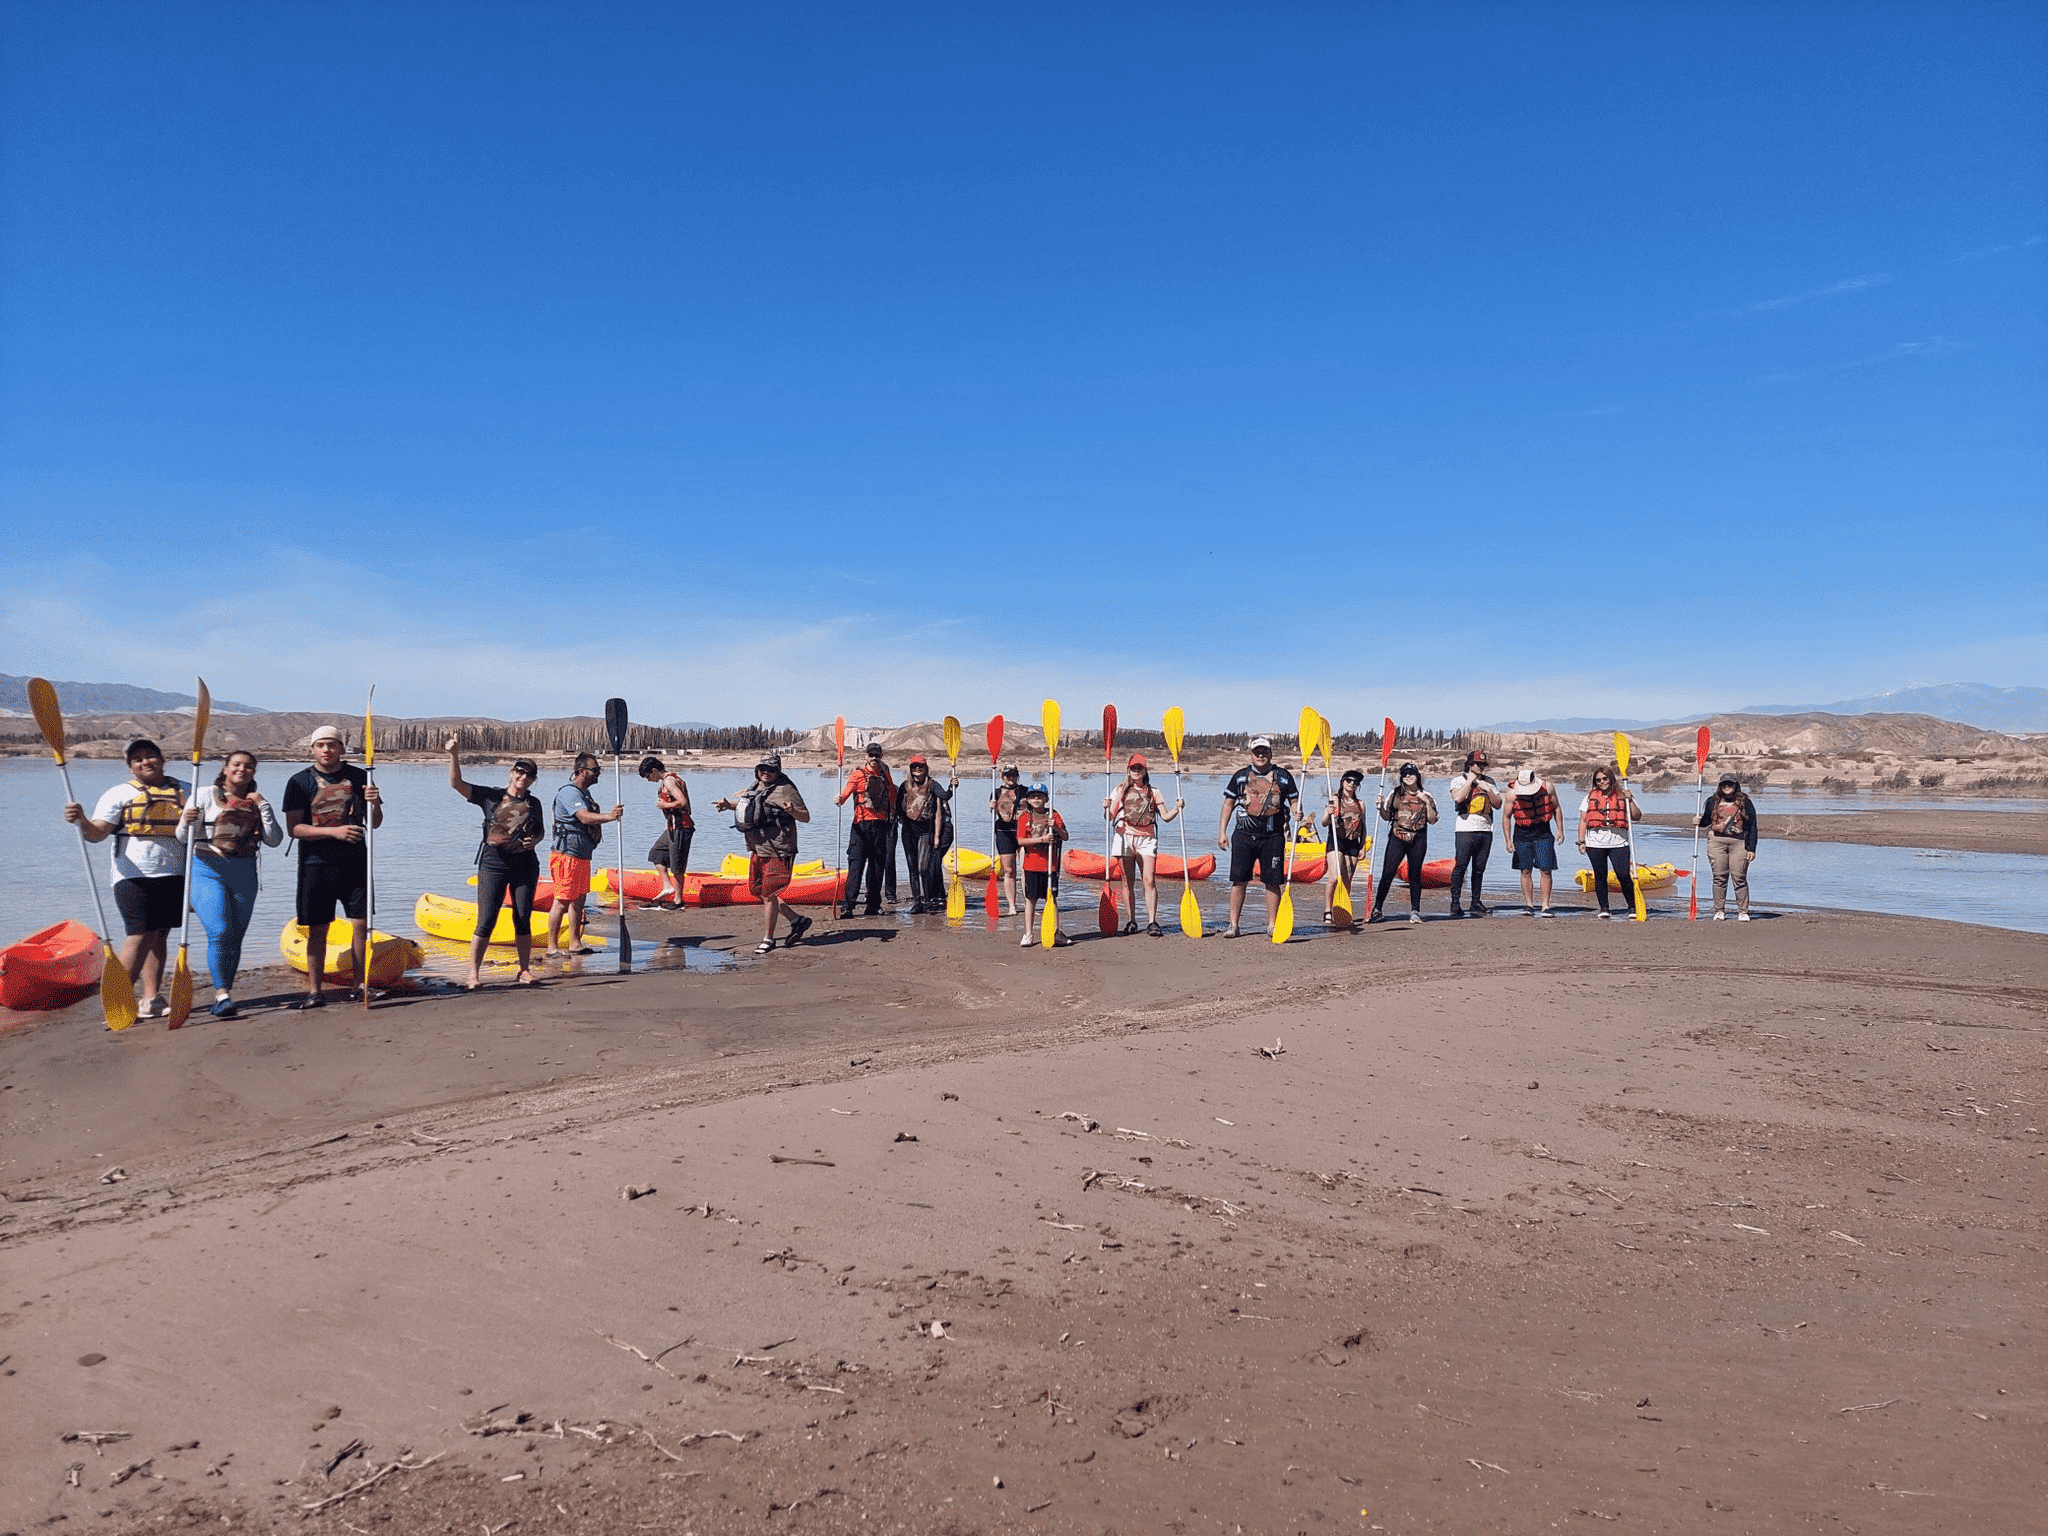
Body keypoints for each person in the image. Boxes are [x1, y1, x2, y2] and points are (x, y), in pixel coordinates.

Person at [63, 738, 190, 1019]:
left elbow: (202, 827)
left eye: (151, 756)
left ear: (162, 759)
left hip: (175, 873)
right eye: (138, 759)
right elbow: (96, 834)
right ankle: (119, 999)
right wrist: (81, 819)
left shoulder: (185, 789)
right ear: (131, 767)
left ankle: (151, 1000)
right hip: (132, 875)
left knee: (159, 935)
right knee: (139, 935)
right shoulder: (118, 793)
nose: (146, 762)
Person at [281, 725, 384, 1006]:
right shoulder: (299, 782)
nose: (326, 750)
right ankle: (315, 992)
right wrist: (334, 832)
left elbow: (374, 823)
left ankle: (359, 985)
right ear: (313, 749)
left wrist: (374, 804)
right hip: (316, 865)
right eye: (321, 745)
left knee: (361, 925)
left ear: (341, 748)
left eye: (332, 745)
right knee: (317, 928)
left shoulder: (360, 777)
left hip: (355, 864)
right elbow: (294, 829)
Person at [177, 749, 283, 1018]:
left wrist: (263, 804)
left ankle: (225, 993)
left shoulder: (255, 800)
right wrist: (187, 820)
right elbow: (181, 837)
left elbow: (274, 840)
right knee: (220, 930)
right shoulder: (202, 794)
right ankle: (221, 993)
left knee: (235, 936)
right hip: (206, 869)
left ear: (254, 772)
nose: (241, 769)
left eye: (248, 766)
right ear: (225, 768)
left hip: (244, 873)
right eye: (236, 764)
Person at [448, 738, 545, 988]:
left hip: (525, 866)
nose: (523, 777)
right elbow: (456, 784)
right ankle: (473, 974)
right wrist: (454, 756)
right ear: (512, 773)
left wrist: (533, 841)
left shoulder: (534, 804)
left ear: (533, 780)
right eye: (520, 772)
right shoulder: (490, 796)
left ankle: (524, 970)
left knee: (522, 918)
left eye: (529, 775)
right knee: (486, 919)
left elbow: (541, 833)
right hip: (493, 865)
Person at [715, 751, 813, 953]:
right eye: (762, 769)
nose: (766, 773)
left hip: (779, 849)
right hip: (758, 847)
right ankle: (796, 920)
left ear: (777, 771)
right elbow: (754, 808)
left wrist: (792, 810)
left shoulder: (786, 789)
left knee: (769, 894)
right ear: (757, 770)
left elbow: (805, 817)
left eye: (770, 769)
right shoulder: (757, 786)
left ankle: (768, 939)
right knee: (758, 891)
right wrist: (728, 806)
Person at [1215, 736, 1299, 938]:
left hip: (1273, 837)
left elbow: (1294, 800)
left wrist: (1297, 812)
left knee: (1272, 881)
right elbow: (1228, 804)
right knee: (1239, 880)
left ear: (1270, 753)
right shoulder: (1240, 777)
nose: (1260, 755)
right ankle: (1234, 925)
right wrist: (1222, 832)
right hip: (1244, 835)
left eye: (1264, 751)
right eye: (1256, 752)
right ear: (1251, 754)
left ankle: (1272, 925)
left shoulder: (1284, 777)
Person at [546, 752, 622, 957]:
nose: (598, 774)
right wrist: (609, 816)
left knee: (579, 901)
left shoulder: (583, 793)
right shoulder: (570, 794)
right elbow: (584, 817)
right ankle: (552, 948)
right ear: (581, 771)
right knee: (562, 900)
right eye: (595, 770)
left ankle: (574, 943)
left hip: (581, 854)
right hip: (566, 855)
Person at [1103, 753, 1183, 936]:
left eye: (1139, 768)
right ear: (1128, 769)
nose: (1136, 771)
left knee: (1149, 880)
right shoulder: (1120, 790)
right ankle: (1131, 921)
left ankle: (1152, 922)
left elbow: (1166, 817)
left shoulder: (1153, 792)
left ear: (1145, 769)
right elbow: (1109, 818)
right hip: (1124, 838)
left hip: (1146, 840)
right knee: (1127, 882)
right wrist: (1106, 807)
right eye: (1133, 768)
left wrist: (1177, 808)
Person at [1371, 762, 1439, 924]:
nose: (1408, 776)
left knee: (1415, 875)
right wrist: (1380, 807)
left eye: (1411, 773)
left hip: (1418, 838)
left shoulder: (1426, 795)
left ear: (1417, 776)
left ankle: (1415, 911)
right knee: (1388, 873)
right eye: (1404, 774)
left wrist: (1427, 803)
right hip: (1397, 837)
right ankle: (1377, 909)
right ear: (1401, 778)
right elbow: (1387, 816)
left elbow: (1433, 820)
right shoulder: (1394, 794)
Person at [835, 742, 895, 918]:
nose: (874, 758)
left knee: (877, 869)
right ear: (866, 756)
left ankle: (873, 906)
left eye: (877, 755)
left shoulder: (886, 776)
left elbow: (892, 797)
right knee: (856, 867)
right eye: (871, 755)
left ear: (881, 756)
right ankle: (848, 906)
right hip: (860, 828)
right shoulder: (857, 775)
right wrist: (839, 799)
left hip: (880, 827)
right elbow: (845, 795)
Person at [1577, 765, 1643, 919]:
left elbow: (1637, 816)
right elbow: (1582, 821)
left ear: (1611, 778)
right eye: (1598, 780)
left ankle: (1632, 907)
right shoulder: (1588, 797)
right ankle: (1604, 908)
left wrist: (1630, 800)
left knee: (1623, 875)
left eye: (1604, 779)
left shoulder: (1623, 794)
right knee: (1600, 875)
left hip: (1618, 842)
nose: (1602, 782)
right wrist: (1581, 841)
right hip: (1595, 843)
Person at [895, 754, 956, 914]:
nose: (917, 769)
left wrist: (952, 786)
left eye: (920, 766)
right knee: (912, 868)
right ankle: (917, 902)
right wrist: (899, 819)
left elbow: (944, 796)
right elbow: (897, 805)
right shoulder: (905, 785)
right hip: (908, 831)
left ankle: (928, 901)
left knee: (923, 868)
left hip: (925, 831)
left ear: (925, 768)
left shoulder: (933, 785)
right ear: (910, 769)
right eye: (914, 767)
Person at [1445, 748, 1500, 918]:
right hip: (1465, 829)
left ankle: (1475, 902)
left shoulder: (1490, 781)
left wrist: (1488, 790)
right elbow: (1457, 798)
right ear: (1469, 764)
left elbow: (1498, 804)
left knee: (1479, 868)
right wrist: (1469, 782)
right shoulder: (1457, 781)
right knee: (1461, 865)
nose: (1481, 766)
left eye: (1483, 764)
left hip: (1485, 829)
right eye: (1478, 764)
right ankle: (1455, 903)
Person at [1698, 774, 1760, 920]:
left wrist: (1751, 848)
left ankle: (1743, 911)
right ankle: (1719, 910)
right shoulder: (1712, 801)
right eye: (1724, 784)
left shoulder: (1745, 802)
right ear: (1720, 786)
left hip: (1739, 843)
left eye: (1730, 784)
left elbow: (1752, 826)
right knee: (1719, 877)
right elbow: (1706, 820)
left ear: (1735, 785)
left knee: (1739, 877)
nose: (1727, 787)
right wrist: (1698, 821)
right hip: (1716, 842)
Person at [1015, 783, 1069, 947]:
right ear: (1028, 800)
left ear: (1046, 799)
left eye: (1040, 796)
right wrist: (1041, 839)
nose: (1036, 799)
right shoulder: (1024, 817)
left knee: (1051, 900)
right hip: (1031, 865)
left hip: (1050, 866)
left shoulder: (1054, 814)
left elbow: (1065, 836)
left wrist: (1056, 827)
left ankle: (1056, 932)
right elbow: (1020, 841)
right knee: (1030, 900)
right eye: (1033, 797)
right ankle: (1028, 934)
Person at [1505, 766, 1563, 917]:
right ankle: (1529, 905)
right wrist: (1508, 840)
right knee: (1525, 870)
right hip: (1522, 834)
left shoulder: (1548, 787)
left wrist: (1560, 830)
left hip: (1543, 832)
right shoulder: (1511, 793)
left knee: (1545, 869)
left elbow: (1556, 808)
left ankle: (1545, 906)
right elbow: (1506, 817)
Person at [638, 755, 694, 907]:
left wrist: (665, 805)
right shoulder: (669, 780)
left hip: (681, 827)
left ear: (655, 770)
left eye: (648, 776)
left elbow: (683, 801)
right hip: (672, 827)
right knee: (656, 853)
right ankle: (668, 886)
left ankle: (678, 900)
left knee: (677, 865)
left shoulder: (669, 781)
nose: (648, 780)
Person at [1318, 768, 1370, 925]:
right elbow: (1324, 822)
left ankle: (1342, 909)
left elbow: (1363, 826)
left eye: (1355, 782)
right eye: (1349, 781)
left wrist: (1362, 847)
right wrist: (1328, 813)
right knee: (1334, 877)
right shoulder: (1335, 799)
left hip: (1353, 843)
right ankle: (1328, 911)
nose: (1352, 784)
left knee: (1347, 880)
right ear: (1342, 782)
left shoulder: (1360, 804)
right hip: (1336, 841)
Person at [989, 763, 1027, 917]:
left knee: (1026, 869)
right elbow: (993, 813)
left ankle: (1028, 902)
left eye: (1013, 774)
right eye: (1007, 775)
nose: (1010, 778)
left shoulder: (1025, 791)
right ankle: (1012, 906)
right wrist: (991, 806)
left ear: (1017, 776)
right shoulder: (996, 792)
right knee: (1009, 871)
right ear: (1002, 777)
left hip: (1024, 833)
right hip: (1004, 832)